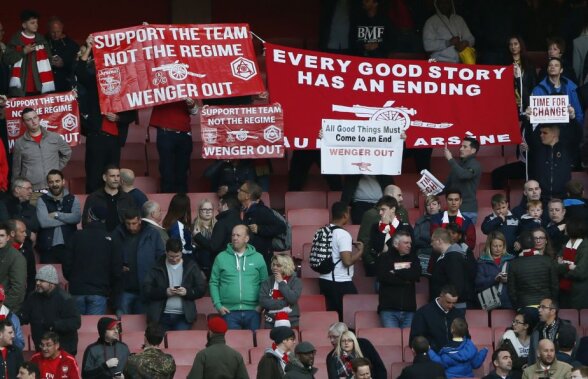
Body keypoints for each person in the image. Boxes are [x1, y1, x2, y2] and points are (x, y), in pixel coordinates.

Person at [74, 35, 137, 194]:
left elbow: (131, 116)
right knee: (94, 176)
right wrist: (88, 48)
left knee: (113, 179)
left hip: (115, 140)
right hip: (96, 136)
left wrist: (118, 118)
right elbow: (80, 72)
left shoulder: (125, 86)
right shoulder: (95, 83)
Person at [63, 206, 121, 315]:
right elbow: (116, 269)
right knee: (94, 330)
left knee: (78, 330)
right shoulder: (111, 239)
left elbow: (66, 264)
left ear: (89, 216)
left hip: (77, 290)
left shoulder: (76, 236)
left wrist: (73, 279)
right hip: (99, 292)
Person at [209, 224, 268, 330]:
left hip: (253, 311)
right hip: (229, 311)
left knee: (252, 345)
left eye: (238, 235)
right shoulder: (221, 257)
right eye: (233, 235)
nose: (235, 238)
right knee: (233, 345)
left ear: (247, 238)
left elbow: (265, 283)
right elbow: (213, 283)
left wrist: (260, 306)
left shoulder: (258, 258)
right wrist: (218, 306)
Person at [143, 238, 207, 331]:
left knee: (180, 342)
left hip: (184, 316)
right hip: (161, 315)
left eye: (177, 256)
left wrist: (187, 292)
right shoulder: (157, 265)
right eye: (171, 256)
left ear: (181, 252)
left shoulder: (191, 265)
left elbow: (201, 288)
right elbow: (146, 289)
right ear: (166, 252)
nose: (174, 259)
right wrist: (165, 292)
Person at [111, 208, 165, 316]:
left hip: (145, 288)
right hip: (123, 288)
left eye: (134, 223)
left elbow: (161, 258)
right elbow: (109, 257)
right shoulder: (117, 234)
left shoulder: (152, 234)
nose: (131, 227)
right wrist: (118, 267)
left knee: (141, 325)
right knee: (122, 323)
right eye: (128, 223)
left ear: (140, 220)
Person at [18, 265, 80, 356]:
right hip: (41, 349)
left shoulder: (65, 299)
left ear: (52, 283)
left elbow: (75, 322)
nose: (37, 283)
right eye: (37, 280)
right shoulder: (33, 297)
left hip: (63, 350)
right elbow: (24, 316)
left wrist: (54, 325)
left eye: (42, 281)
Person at [319, 202, 363, 321]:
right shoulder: (343, 234)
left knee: (332, 317)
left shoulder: (322, 231)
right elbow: (347, 262)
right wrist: (360, 251)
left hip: (324, 279)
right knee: (349, 318)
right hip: (340, 281)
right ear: (345, 215)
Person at [12, 108, 72, 192]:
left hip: (54, 187)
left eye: (35, 117)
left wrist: (56, 167)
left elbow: (67, 153)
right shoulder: (19, 143)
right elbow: (16, 169)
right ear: (24, 123)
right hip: (32, 190)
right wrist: (15, 189)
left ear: (38, 118)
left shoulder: (54, 137)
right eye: (29, 120)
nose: (33, 121)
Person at [149, 100, 198, 193]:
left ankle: (182, 200)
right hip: (165, 132)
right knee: (166, 169)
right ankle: (167, 199)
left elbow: (195, 112)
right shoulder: (160, 86)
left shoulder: (188, 88)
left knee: (182, 170)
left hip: (184, 133)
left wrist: (191, 103)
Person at [3, 10, 55, 96]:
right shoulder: (15, 39)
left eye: (37, 22)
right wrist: (23, 52)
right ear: (24, 25)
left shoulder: (41, 40)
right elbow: (7, 60)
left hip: (39, 84)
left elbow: (49, 59)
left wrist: (53, 60)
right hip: (20, 86)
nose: (36, 25)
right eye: (32, 23)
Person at [376, 230, 420, 328]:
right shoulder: (384, 258)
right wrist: (406, 279)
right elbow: (383, 277)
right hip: (389, 310)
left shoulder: (413, 258)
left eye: (410, 243)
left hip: (409, 310)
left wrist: (395, 272)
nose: (409, 245)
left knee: (408, 342)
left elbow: (416, 275)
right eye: (406, 243)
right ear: (396, 244)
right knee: (391, 340)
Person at [36, 169, 81, 264]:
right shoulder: (42, 200)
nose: (55, 184)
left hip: (69, 246)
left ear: (63, 181)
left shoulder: (73, 198)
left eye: (57, 181)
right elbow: (44, 223)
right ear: (48, 184)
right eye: (51, 182)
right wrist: (68, 219)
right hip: (48, 247)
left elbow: (76, 218)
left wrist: (57, 214)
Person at [507, 230, 558, 312]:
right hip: (546, 307)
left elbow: (511, 291)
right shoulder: (547, 260)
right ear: (534, 243)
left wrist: (518, 306)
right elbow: (554, 286)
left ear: (520, 245)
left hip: (524, 306)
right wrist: (551, 304)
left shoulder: (514, 264)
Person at [239, 180, 286, 268]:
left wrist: (260, 229)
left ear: (247, 195)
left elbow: (281, 227)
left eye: (241, 190)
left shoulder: (262, 210)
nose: (238, 191)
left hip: (262, 258)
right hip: (250, 256)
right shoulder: (245, 210)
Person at [82, 165, 137, 232]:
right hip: (101, 238)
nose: (116, 179)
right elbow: (85, 222)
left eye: (118, 176)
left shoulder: (128, 198)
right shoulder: (93, 198)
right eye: (112, 176)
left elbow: (135, 220)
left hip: (122, 238)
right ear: (104, 177)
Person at [410, 284, 462, 352]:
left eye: (454, 303)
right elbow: (416, 340)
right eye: (448, 302)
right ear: (441, 296)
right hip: (431, 357)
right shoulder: (423, 313)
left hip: (455, 356)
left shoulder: (457, 313)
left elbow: (465, 336)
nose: (451, 306)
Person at [428, 228, 472, 308]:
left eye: (432, 240)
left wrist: (448, 302)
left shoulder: (453, 257)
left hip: (451, 306)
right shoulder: (448, 256)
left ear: (439, 241)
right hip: (446, 304)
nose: (431, 244)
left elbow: (456, 285)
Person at [443, 138, 482, 223]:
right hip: (453, 210)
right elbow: (446, 187)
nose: (461, 149)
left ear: (473, 150)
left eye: (464, 147)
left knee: (462, 236)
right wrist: (430, 191)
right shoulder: (458, 165)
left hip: (467, 210)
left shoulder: (475, 164)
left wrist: (450, 159)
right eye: (461, 146)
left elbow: (464, 175)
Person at [528, 298, 577, 365]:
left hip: (561, 368)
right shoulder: (536, 330)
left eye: (543, 307)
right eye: (539, 307)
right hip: (540, 370)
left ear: (553, 311)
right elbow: (532, 355)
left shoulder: (566, 329)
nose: (539, 310)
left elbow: (574, 351)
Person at [259, 254, 302, 328]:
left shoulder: (295, 281)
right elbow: (263, 301)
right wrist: (284, 302)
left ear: (286, 266)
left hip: (291, 320)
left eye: (278, 265)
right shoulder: (267, 281)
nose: (274, 267)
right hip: (270, 321)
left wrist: (281, 283)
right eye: (273, 265)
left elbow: (292, 299)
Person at [475, 231, 515, 309]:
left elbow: (518, 282)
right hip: (489, 303)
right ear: (489, 246)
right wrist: (494, 279)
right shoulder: (482, 262)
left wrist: (509, 280)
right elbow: (478, 285)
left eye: (500, 246)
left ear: (504, 246)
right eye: (495, 246)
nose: (498, 249)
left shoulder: (511, 261)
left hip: (508, 303)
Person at [557, 217, 588, 309]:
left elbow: (580, 272)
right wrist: (569, 267)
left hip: (579, 293)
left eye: (567, 226)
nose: (564, 227)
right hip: (564, 290)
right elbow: (555, 266)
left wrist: (563, 267)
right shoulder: (565, 244)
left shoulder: (585, 247)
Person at [498, 311, 535, 379]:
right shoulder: (509, 337)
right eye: (513, 321)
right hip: (514, 372)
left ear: (526, 326)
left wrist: (530, 364)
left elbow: (538, 357)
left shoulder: (534, 339)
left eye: (517, 322)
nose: (514, 324)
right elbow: (509, 359)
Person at [206, 195, 242, 264]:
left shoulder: (222, 223)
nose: (218, 209)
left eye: (219, 205)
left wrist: (198, 236)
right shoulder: (241, 221)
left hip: (222, 263)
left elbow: (213, 246)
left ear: (225, 205)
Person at [45, 17, 78, 92]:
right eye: (53, 32)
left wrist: (64, 63)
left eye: (58, 31)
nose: (56, 35)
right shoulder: (42, 43)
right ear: (48, 30)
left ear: (62, 29)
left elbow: (78, 65)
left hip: (66, 85)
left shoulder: (71, 44)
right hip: (47, 84)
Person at [0, 222, 26, 312]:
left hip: (6, 309)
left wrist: (3, 307)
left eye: (2, 235)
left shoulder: (16, 257)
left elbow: (18, 288)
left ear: (7, 237)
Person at [7, 219, 36, 297]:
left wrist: (28, 296)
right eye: (22, 232)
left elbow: (31, 276)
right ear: (12, 233)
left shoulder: (28, 251)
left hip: (22, 297)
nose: (26, 234)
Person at [413, 195, 441, 274]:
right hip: (424, 253)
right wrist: (432, 241)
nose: (431, 207)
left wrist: (425, 239)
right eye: (428, 205)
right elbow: (415, 241)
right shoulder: (420, 221)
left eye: (434, 204)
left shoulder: (445, 219)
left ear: (439, 206)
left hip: (441, 254)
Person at [191, 198, 216, 277]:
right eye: (204, 209)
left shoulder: (218, 225)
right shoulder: (195, 226)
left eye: (210, 209)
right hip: (200, 264)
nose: (208, 211)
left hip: (215, 263)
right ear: (199, 211)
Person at [0, 285, 25, 350]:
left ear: (4, 298)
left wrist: (10, 336)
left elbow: (20, 345)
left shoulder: (12, 318)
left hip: (7, 355)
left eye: (0, 301)